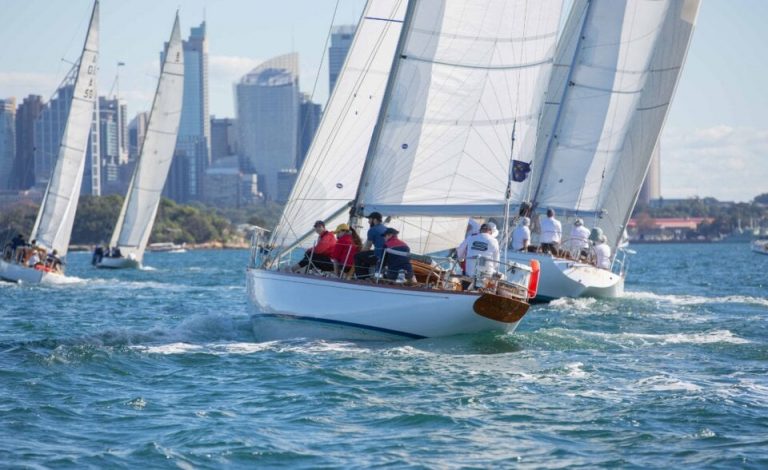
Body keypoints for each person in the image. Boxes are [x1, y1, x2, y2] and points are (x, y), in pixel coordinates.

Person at [354, 212, 388, 279]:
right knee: (366, 256)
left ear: (374, 220)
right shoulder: (386, 228)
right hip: (388, 255)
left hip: (379, 256)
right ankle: (368, 276)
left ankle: (362, 278)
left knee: (358, 256)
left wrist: (360, 251)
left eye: (369, 219)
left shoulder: (372, 230)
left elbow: (367, 247)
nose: (368, 222)